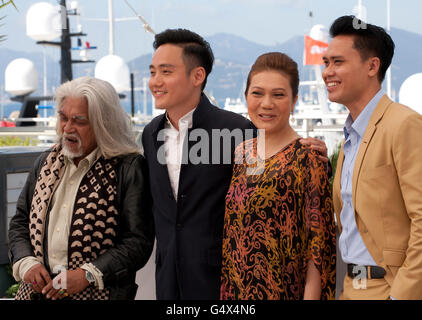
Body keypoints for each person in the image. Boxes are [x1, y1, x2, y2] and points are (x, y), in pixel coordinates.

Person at [142, 28, 330, 300]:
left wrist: (320, 162)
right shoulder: (150, 134)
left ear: (198, 76)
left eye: (166, 72)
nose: (155, 81)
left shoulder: (237, 130)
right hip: (168, 283)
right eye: (152, 72)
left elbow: (276, 190)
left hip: (224, 284)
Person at [8, 76, 155, 300]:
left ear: (103, 123)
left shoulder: (128, 168)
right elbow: (20, 221)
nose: (68, 128)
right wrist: (27, 263)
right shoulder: (45, 162)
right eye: (63, 118)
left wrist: (87, 275)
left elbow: (137, 242)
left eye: (79, 121)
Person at [220, 52, 336, 300]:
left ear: (294, 100)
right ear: (246, 97)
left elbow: (318, 250)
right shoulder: (242, 152)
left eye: (279, 94)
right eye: (258, 93)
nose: (267, 103)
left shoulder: (308, 157)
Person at [323, 15, 422, 300]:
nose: (327, 72)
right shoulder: (350, 138)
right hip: (352, 288)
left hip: (390, 290)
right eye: (326, 63)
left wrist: (401, 296)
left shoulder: (404, 125)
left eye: (338, 62)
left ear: (372, 66)